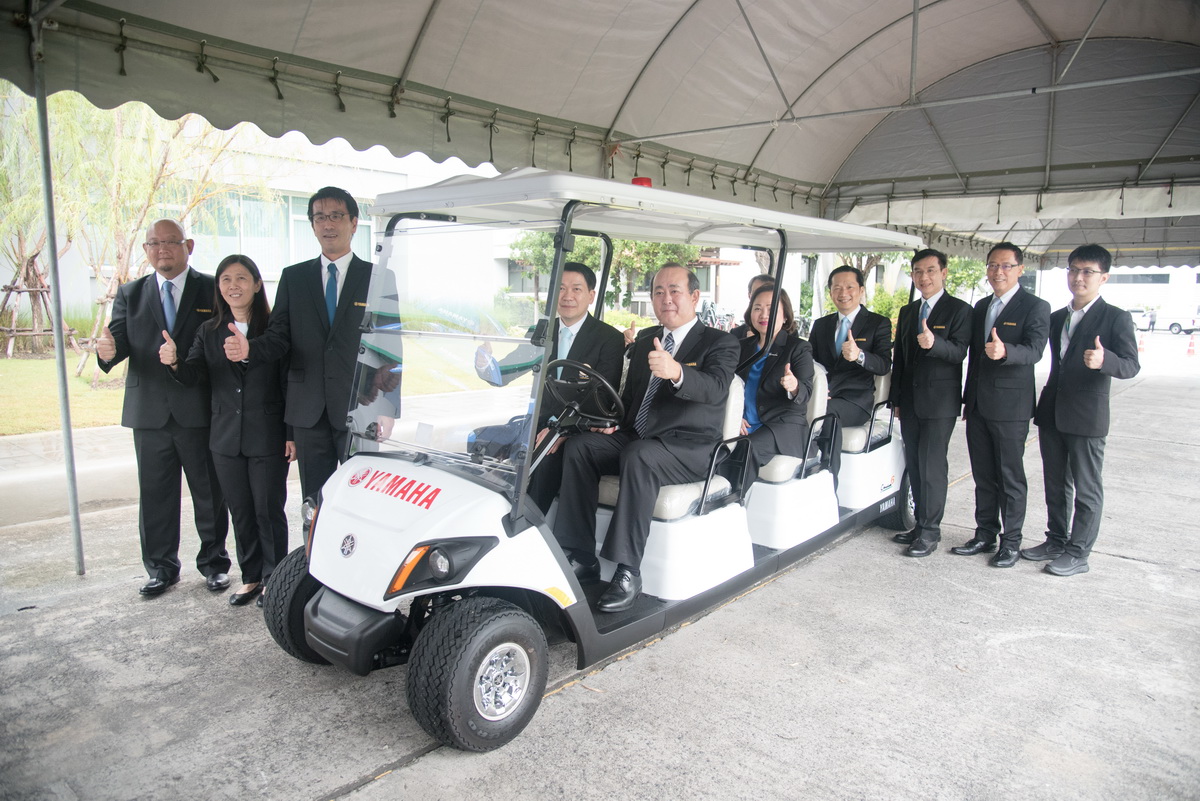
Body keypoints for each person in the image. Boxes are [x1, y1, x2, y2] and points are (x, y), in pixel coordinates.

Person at [552, 264, 739, 612]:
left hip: (691, 447)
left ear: (695, 297)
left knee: (640, 455)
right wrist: (611, 422)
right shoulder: (644, 340)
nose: (665, 298)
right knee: (581, 448)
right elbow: (635, 397)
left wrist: (678, 372)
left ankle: (628, 570)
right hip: (639, 437)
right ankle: (581, 554)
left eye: (674, 291)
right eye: (658, 291)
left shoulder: (720, 342)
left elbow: (714, 388)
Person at [95, 219, 230, 597]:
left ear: (189, 245)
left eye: (171, 242)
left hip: (199, 410)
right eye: (154, 243)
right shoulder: (131, 293)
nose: (162, 250)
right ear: (146, 250)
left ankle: (215, 563)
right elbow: (117, 340)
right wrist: (106, 353)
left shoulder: (211, 287)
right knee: (155, 495)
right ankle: (161, 568)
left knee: (209, 493)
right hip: (149, 413)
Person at [224, 187, 375, 502]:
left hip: (360, 409)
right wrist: (251, 348)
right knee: (314, 500)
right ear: (312, 225)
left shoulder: (377, 277)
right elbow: (279, 336)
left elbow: (388, 346)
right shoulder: (294, 278)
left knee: (361, 498)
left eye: (336, 216)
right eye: (320, 217)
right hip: (309, 413)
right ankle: (315, 552)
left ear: (354, 222)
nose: (328, 224)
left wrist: (385, 409)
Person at [163, 255, 294, 606]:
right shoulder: (208, 331)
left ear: (256, 284)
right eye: (225, 279)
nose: (233, 285)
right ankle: (250, 576)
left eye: (241, 278)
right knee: (240, 509)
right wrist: (175, 360)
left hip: (268, 433)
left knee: (268, 509)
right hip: (224, 437)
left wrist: (291, 432)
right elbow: (194, 376)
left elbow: (287, 382)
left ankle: (274, 579)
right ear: (219, 287)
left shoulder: (276, 329)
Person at [1023, 245, 1140, 576]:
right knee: (1055, 483)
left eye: (1087, 271)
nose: (1078, 277)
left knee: (1087, 489)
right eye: (1073, 270)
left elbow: (1131, 365)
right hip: (1053, 413)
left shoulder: (1116, 317)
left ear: (1103, 277)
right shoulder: (1057, 316)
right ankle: (1056, 539)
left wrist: (1106, 361)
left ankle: (1079, 552)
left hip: (1087, 416)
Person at [952, 242, 1050, 567]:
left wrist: (1006, 351)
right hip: (979, 406)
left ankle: (1011, 542)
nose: (998, 272)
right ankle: (984, 533)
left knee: (1010, 476)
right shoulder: (980, 306)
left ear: (1021, 269)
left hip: (1011, 409)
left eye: (1006, 266)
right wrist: (969, 400)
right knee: (983, 474)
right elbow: (974, 362)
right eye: (993, 265)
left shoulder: (1035, 306)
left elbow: (1035, 350)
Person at [888, 249, 972, 557]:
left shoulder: (960, 310)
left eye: (931, 271)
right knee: (915, 463)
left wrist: (935, 344)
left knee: (932, 466)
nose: (924, 277)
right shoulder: (909, 311)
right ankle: (920, 525)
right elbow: (901, 359)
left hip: (939, 402)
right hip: (909, 401)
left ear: (944, 272)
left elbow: (960, 352)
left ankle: (931, 531)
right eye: (918, 272)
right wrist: (895, 398)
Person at [527, 263, 625, 512]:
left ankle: (526, 530)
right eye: (560, 288)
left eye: (576, 289)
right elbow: (506, 370)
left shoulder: (609, 338)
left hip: (576, 428)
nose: (567, 296)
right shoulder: (541, 332)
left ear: (591, 296)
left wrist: (560, 431)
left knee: (546, 462)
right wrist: (486, 363)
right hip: (537, 423)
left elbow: (603, 400)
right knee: (485, 442)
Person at [808, 265, 892, 483]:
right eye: (837, 288)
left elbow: (883, 365)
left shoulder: (878, 323)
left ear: (861, 290)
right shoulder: (821, 325)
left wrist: (860, 355)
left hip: (856, 401)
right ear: (831, 292)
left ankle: (828, 479)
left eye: (849, 287)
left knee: (827, 414)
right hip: (825, 396)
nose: (843, 293)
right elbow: (810, 363)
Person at [737, 285, 813, 468]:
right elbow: (725, 386)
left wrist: (794, 386)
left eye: (771, 309)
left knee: (745, 449)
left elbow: (806, 392)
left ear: (785, 315)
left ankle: (732, 496)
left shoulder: (798, 348)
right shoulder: (740, 347)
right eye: (758, 308)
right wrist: (734, 416)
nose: (764, 315)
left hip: (780, 428)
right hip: (743, 424)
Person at [728, 274, 776, 340]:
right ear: (749, 295)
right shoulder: (736, 334)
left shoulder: (790, 336)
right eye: (757, 292)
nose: (762, 297)